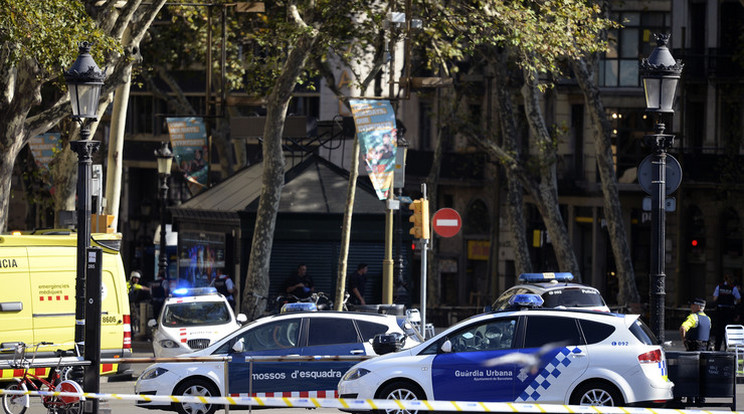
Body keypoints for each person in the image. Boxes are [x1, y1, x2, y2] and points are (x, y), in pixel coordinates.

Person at [712, 273, 741, 350]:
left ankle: (717, 348)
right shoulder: (733, 288)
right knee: (728, 330)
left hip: (720, 311)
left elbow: (714, 298)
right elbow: (738, 299)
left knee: (719, 331)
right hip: (729, 311)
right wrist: (733, 302)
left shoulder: (719, 287)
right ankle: (727, 347)